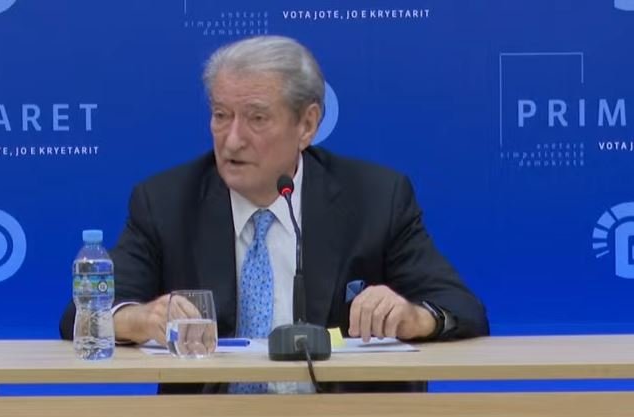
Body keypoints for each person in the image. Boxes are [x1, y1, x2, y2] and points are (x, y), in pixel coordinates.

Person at [60, 35, 488, 393]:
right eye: (221, 116)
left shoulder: (376, 198)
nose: (232, 140)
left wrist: (414, 317)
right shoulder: (166, 202)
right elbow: (81, 316)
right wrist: (140, 319)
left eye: (257, 118)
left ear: (307, 125)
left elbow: (463, 308)